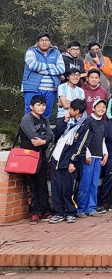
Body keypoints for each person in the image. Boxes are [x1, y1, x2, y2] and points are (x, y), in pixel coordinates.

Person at [48, 99, 89, 223]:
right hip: (57, 157)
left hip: (69, 160)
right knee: (56, 186)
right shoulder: (67, 121)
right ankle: (58, 212)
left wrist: (73, 161)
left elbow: (81, 145)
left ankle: (70, 211)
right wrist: (64, 121)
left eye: (70, 109)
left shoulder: (84, 125)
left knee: (68, 187)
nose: (68, 110)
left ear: (76, 111)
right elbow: (57, 134)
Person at [18, 95, 54, 224]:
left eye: (43, 104)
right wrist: (45, 140)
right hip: (29, 157)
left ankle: (45, 211)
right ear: (31, 106)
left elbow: (50, 136)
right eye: (39, 105)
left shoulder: (45, 120)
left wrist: (43, 141)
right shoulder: (27, 119)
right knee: (31, 186)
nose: (42, 107)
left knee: (42, 184)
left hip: (41, 156)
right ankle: (34, 213)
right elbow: (33, 138)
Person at [75, 99, 108, 217]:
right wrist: (87, 154)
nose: (101, 109)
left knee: (94, 183)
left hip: (98, 156)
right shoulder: (88, 121)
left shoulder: (104, 123)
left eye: (103, 107)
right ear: (93, 108)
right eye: (99, 106)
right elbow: (83, 140)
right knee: (85, 182)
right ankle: (80, 208)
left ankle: (91, 207)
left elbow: (103, 140)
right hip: (88, 156)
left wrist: (106, 153)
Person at [22, 31, 65, 118]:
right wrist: (51, 67)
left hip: (50, 89)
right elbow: (33, 65)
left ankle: (43, 131)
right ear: (37, 42)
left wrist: (42, 70)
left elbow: (61, 69)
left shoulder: (56, 53)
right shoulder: (31, 51)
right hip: (32, 88)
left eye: (46, 40)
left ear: (50, 42)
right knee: (30, 112)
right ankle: (28, 131)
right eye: (42, 40)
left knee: (46, 113)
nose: (44, 42)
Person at [56, 68, 84, 140]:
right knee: (59, 140)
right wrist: (66, 104)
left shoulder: (81, 91)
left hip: (77, 119)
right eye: (72, 75)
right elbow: (65, 105)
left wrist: (65, 103)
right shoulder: (62, 87)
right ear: (68, 77)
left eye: (77, 75)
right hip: (63, 117)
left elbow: (80, 107)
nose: (75, 77)